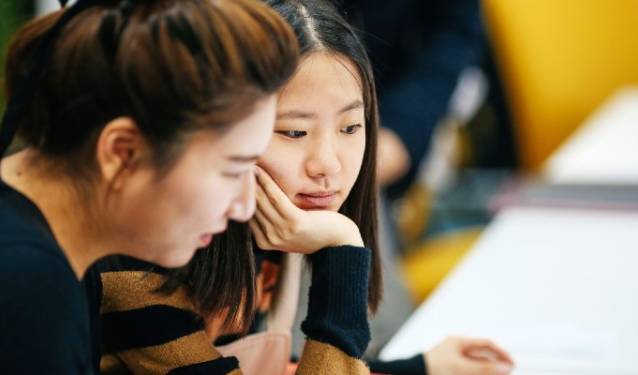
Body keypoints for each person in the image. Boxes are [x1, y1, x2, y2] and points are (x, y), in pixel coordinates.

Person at [89, 1, 514, 374]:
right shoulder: (142, 264)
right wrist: (343, 249)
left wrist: (417, 369)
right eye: (293, 132)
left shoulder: (279, 227)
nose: (327, 164)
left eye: (351, 127)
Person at [0, 0, 299, 373]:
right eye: (232, 170)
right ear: (123, 152)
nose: (245, 206)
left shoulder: (11, 224)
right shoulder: (20, 290)